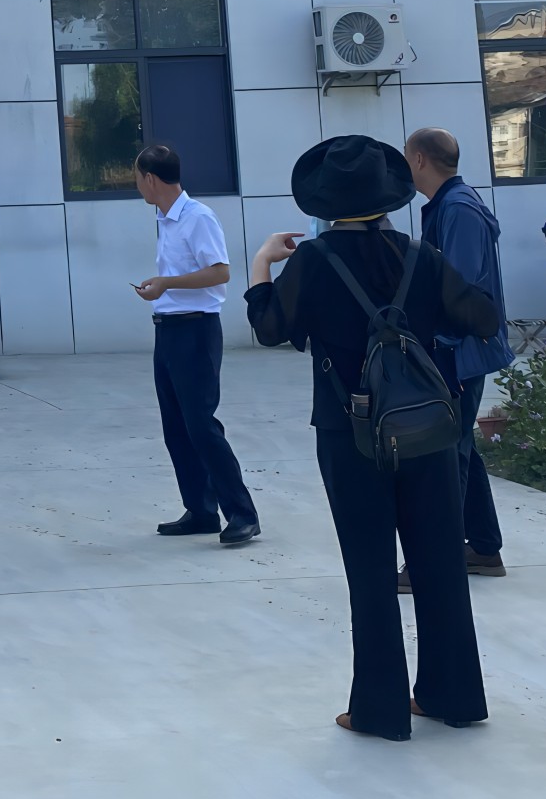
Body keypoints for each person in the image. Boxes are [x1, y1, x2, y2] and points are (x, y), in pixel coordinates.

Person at [247, 136, 498, 739]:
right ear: (389, 197)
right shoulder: (419, 254)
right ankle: (453, 695)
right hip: (427, 428)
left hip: (350, 430)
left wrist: (262, 265)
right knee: (440, 561)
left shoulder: (313, 261)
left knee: (370, 569)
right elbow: (483, 318)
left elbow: (270, 327)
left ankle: (379, 710)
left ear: (326, 202)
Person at [131, 143, 260, 546]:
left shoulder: (197, 217)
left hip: (196, 331)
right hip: (168, 329)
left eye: (137, 178)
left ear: (150, 178)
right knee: (176, 427)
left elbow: (220, 272)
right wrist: (162, 287)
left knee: (201, 425)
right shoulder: (165, 218)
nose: (138, 186)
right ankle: (201, 510)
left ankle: (242, 514)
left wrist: (166, 283)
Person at [406, 128, 510, 577]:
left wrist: (440, 344)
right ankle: (483, 547)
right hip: (450, 349)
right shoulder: (448, 204)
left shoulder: (459, 209)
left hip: (458, 352)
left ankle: (438, 563)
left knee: (449, 456)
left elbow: (460, 290)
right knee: (459, 445)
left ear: (419, 160)